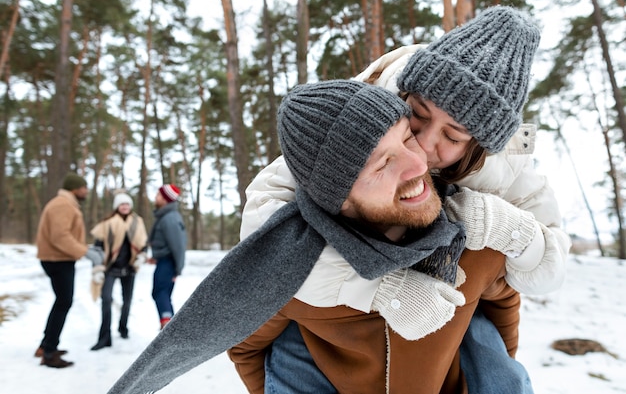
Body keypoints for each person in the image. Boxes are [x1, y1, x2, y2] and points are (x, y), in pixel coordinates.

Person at [228, 6, 570, 393]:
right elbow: (262, 225)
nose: (424, 146)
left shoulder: (504, 168)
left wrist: (506, 227)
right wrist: (380, 290)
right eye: (417, 115)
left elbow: (547, 268)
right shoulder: (359, 113)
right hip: (329, 342)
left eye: (453, 137)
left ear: (481, 143)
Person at [107, 79, 478, 394]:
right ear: (339, 200)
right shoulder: (294, 275)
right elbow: (246, 348)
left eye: (407, 138)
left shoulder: (477, 234)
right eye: (383, 163)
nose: (420, 162)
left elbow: (500, 334)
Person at [35, 172, 102, 368]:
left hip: (58, 259)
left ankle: (45, 345)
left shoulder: (65, 203)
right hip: (58, 260)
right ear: (75, 188)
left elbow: (65, 235)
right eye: (84, 187)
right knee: (63, 303)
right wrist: (84, 252)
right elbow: (60, 236)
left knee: (61, 302)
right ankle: (49, 353)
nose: (86, 191)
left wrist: (85, 248)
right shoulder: (62, 205)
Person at [89, 191, 148, 350]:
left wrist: (142, 256)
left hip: (129, 268)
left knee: (127, 300)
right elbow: (97, 248)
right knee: (106, 299)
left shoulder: (137, 222)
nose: (125, 207)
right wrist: (97, 269)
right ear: (117, 206)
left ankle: (123, 328)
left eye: (127, 204)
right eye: (122, 204)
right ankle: (104, 337)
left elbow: (143, 244)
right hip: (109, 268)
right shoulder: (106, 223)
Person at [147, 184, 186, 330]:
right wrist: (156, 256)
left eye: (158, 195)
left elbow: (178, 245)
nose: (155, 198)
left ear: (165, 199)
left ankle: (167, 324)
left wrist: (177, 269)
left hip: (168, 263)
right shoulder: (166, 216)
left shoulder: (170, 218)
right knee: (162, 293)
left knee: (160, 292)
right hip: (164, 261)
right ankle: (170, 326)